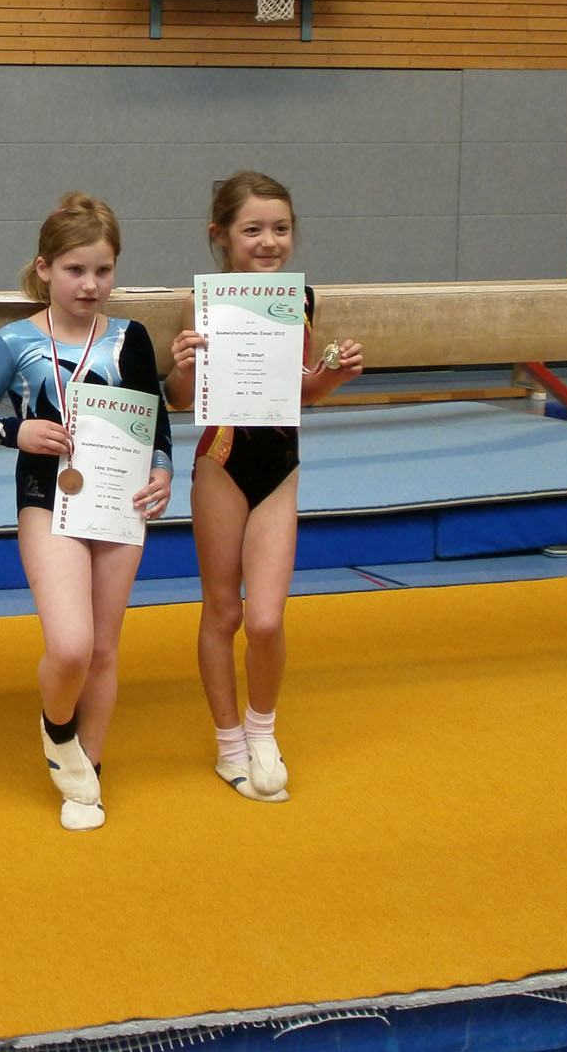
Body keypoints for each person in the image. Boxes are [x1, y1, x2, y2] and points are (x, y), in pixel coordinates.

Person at [0, 193, 173, 830]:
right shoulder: (14, 341)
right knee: (72, 644)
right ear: (45, 269)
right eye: (76, 269)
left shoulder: (131, 338)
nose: (90, 284)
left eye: (103, 270)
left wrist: (163, 471)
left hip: (119, 499)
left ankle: (88, 778)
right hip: (46, 497)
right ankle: (58, 729)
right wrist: (14, 431)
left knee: (104, 648)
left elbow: (156, 420)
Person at [161, 170, 363, 803]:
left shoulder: (300, 300)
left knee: (267, 620)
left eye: (281, 228)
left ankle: (262, 729)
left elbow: (298, 391)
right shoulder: (202, 302)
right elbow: (179, 399)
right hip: (221, 464)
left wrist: (334, 374)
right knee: (224, 612)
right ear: (221, 235)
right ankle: (229, 743)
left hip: (278, 467)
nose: (269, 241)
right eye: (253, 229)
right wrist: (182, 366)